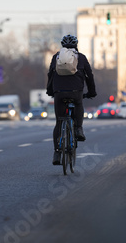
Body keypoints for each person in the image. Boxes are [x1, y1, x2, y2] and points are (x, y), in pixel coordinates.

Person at [46, 34, 97, 165]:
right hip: (76, 92)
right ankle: (79, 129)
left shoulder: (56, 57)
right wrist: (91, 92)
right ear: (76, 45)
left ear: (62, 46)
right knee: (79, 104)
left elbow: (51, 75)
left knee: (59, 122)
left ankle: (57, 153)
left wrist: (51, 91)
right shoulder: (81, 58)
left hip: (59, 93)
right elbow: (89, 76)